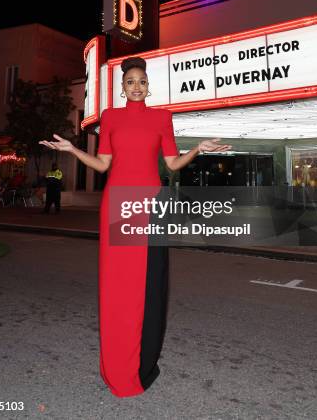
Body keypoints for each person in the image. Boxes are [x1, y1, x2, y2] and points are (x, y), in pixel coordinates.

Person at [39, 56, 232, 398]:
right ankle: (117, 366)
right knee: (118, 289)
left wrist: (197, 149)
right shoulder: (110, 118)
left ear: (149, 86)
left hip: (151, 205)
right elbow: (102, 165)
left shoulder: (162, 118)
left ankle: (142, 364)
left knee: (150, 284)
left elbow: (172, 163)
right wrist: (71, 149)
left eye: (142, 81)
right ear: (122, 87)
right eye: (130, 81)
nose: (137, 86)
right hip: (118, 206)